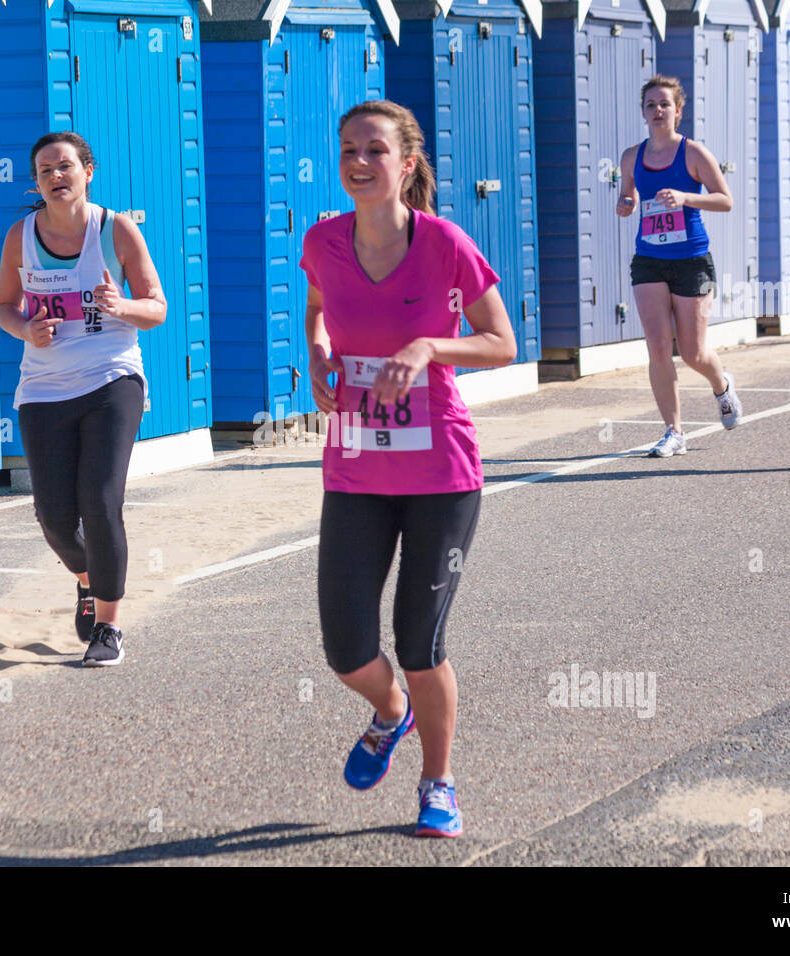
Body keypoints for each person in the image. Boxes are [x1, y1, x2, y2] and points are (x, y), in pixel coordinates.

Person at [300, 100, 517, 838]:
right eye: (349, 150)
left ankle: (438, 781)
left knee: (419, 643)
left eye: (376, 150)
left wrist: (430, 348)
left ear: (408, 163)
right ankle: (390, 714)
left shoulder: (446, 243)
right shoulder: (324, 241)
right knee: (343, 646)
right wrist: (318, 352)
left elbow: (501, 342)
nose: (360, 162)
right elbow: (320, 309)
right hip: (356, 463)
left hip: (441, 475)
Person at [0, 132, 166, 664]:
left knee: (100, 498)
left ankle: (109, 629)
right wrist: (26, 331)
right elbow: (4, 305)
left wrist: (122, 307)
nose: (55, 176)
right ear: (37, 181)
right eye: (44, 170)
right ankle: (89, 580)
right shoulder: (21, 235)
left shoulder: (116, 229)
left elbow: (157, 308)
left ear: (88, 171)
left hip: (112, 379)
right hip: (45, 387)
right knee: (53, 516)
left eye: (65, 166)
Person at [616, 75, 742, 457]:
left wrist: (686, 197)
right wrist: (626, 203)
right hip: (649, 259)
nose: (657, 111)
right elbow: (627, 193)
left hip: (690, 260)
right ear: (642, 112)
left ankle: (721, 384)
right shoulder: (631, 156)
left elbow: (725, 200)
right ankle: (674, 432)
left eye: (664, 104)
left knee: (692, 353)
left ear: (678, 111)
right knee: (657, 348)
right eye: (651, 105)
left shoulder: (693, 154)